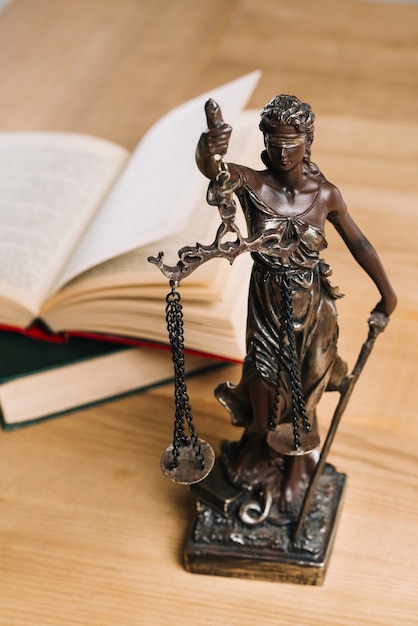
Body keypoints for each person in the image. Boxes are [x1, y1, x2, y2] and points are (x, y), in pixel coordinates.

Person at [195, 94, 397, 519]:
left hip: (313, 308)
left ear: (308, 141)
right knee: (263, 382)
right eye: (274, 140)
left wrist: (387, 294)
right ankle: (261, 450)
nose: (283, 151)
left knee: (307, 390)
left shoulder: (324, 194)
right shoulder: (252, 183)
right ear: (264, 141)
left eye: (292, 141)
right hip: (267, 303)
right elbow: (215, 171)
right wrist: (208, 145)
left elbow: (360, 243)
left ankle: (295, 465)